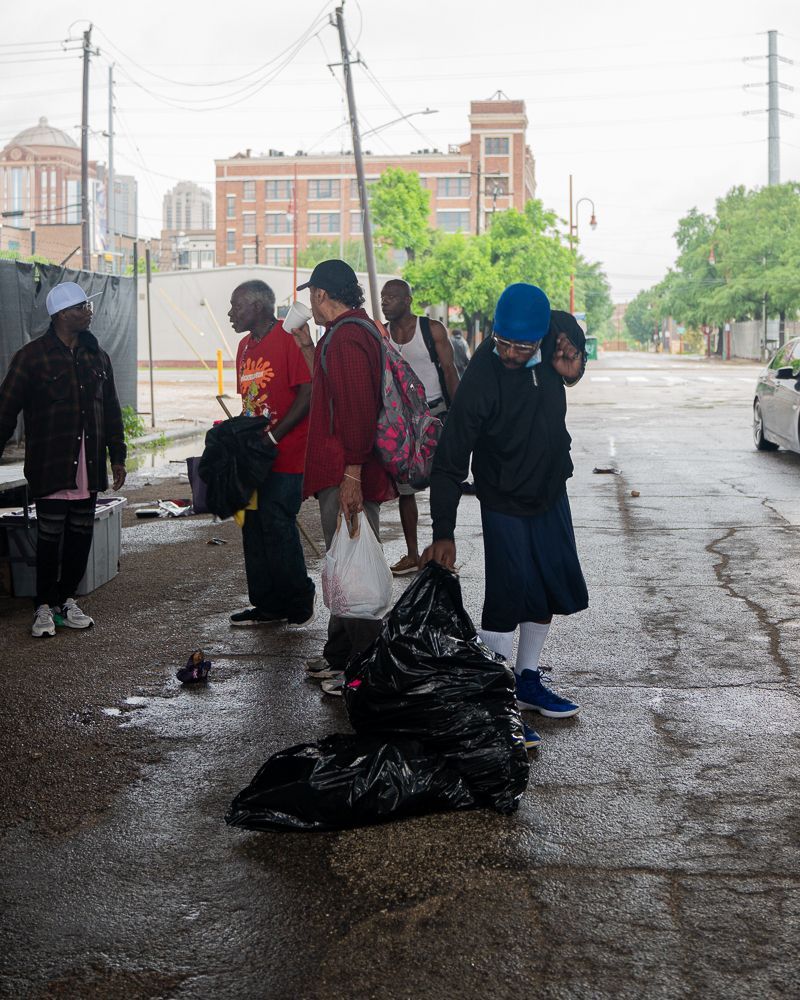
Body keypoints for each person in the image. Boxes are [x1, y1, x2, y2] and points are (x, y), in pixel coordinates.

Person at [420, 283, 588, 749]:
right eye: (504, 343)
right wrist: (444, 531)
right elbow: (450, 461)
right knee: (509, 592)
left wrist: (574, 372)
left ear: (540, 336)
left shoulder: (556, 330)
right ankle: (497, 701)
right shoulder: (482, 379)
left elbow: (575, 359)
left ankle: (527, 679)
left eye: (522, 345)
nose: (512, 353)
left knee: (548, 584)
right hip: (504, 497)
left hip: (550, 488)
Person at [288, 260, 397, 696]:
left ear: (319, 295)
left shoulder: (349, 336)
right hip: (345, 469)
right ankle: (338, 654)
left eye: (311, 295)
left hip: (345, 471)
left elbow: (355, 409)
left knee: (353, 572)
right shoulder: (348, 332)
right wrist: (304, 346)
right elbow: (334, 385)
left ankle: (360, 667)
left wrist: (351, 473)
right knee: (343, 561)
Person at [0, 281, 126, 637]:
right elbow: (5, 411)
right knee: (49, 537)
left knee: (80, 536)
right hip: (52, 464)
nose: (89, 311)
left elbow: (112, 411)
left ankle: (65, 599)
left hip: (88, 467)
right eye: (81, 307)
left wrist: (118, 456)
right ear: (61, 315)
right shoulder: (32, 357)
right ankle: (43, 606)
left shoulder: (97, 356)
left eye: (88, 306)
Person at [227, 279, 315, 627]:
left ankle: (298, 599)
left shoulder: (289, 338)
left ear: (258, 307)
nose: (231, 313)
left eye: (236, 305)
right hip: (254, 457)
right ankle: (267, 604)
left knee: (278, 523)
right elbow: (249, 402)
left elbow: (307, 395)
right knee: (253, 525)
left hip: (288, 453)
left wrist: (273, 438)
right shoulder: (244, 347)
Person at [380, 279, 459, 576]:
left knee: (442, 482)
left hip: (435, 413)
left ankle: (443, 551)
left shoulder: (431, 329)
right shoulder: (383, 333)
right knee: (405, 489)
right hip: (402, 421)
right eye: (383, 296)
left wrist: (459, 413)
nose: (386, 301)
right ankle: (413, 554)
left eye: (392, 297)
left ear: (408, 300)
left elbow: (450, 371)